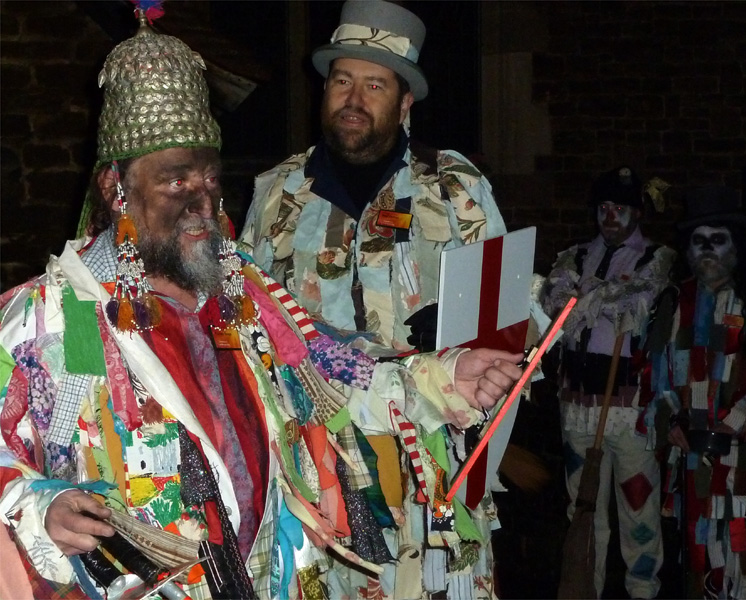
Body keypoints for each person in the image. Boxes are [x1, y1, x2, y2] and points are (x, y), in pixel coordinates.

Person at [0, 6, 524, 600]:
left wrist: (446, 375)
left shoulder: (242, 293)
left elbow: (333, 372)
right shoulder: (46, 317)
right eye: (176, 179)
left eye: (210, 177)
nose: (202, 199)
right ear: (116, 187)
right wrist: (38, 506)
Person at [238, 0, 507, 355]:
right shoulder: (278, 191)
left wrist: (464, 324)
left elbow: (507, 307)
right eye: (343, 81)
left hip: (424, 405)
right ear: (325, 89)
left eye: (375, 86)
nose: (354, 99)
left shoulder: (454, 187)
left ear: (404, 104)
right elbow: (241, 305)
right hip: (316, 405)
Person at [644, 186, 746, 599]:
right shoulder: (675, 302)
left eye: (718, 240)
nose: (707, 250)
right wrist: (672, 420)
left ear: (736, 245)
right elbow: (657, 376)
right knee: (699, 541)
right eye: (699, 242)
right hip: (693, 454)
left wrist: (743, 417)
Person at [542, 165, 675, 599]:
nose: (610, 217)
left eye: (619, 208)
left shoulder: (657, 257)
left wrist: (587, 299)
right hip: (577, 402)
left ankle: (642, 592)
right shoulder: (574, 256)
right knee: (583, 509)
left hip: (629, 407)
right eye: (603, 208)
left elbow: (635, 301)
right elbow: (556, 304)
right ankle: (585, 590)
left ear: (638, 212)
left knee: (638, 508)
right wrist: (595, 299)